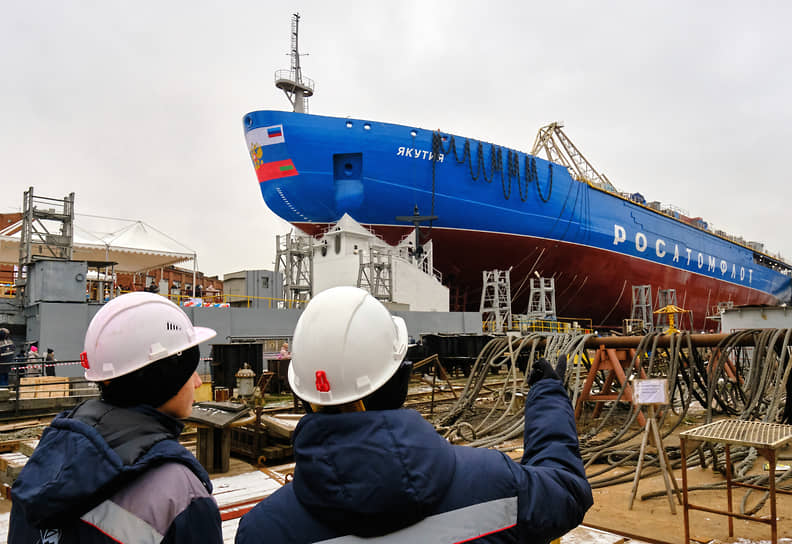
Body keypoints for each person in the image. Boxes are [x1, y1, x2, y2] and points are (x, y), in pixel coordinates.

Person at [236, 286, 593, 543]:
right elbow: (567, 490)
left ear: (304, 397)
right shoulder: (494, 482)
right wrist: (547, 396)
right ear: (400, 381)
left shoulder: (263, 530)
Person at [10, 292, 224, 544]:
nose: (198, 382)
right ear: (165, 378)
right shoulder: (183, 495)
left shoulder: (46, 462)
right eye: (191, 372)